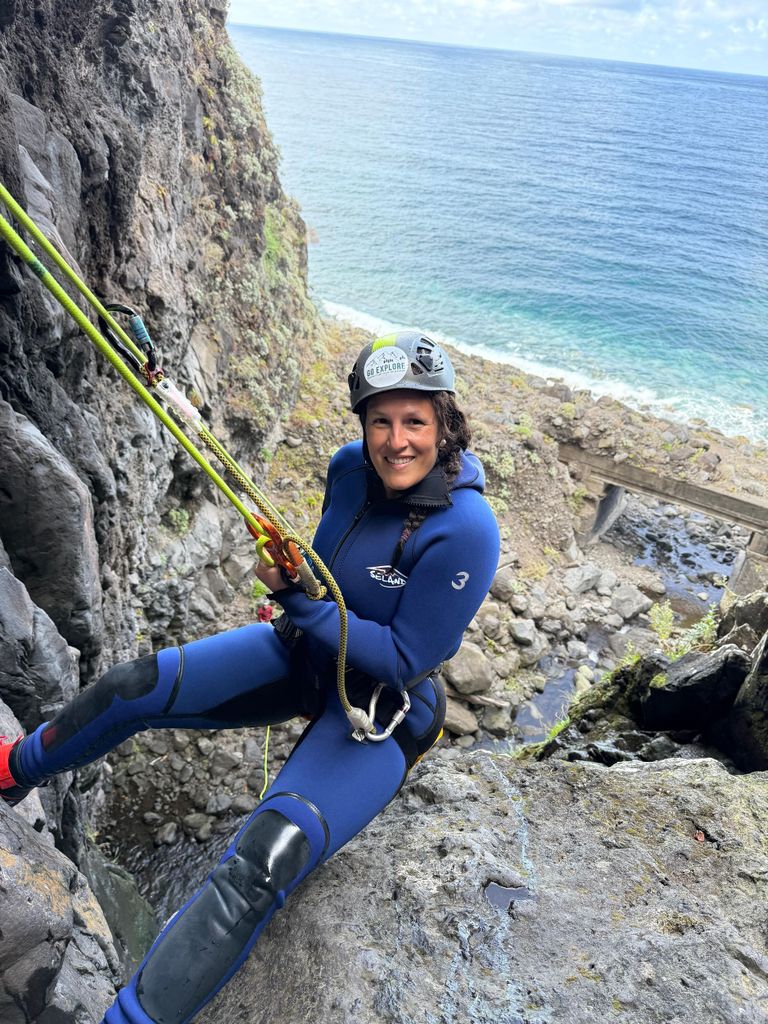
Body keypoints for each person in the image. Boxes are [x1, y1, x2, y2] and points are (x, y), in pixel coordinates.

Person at [0, 331, 500, 1024]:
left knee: (263, 862)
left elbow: (403, 657)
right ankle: (13, 770)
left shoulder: (467, 529)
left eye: (414, 421)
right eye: (380, 420)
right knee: (133, 687)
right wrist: (298, 578)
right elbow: (332, 572)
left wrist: (298, 599)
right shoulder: (349, 470)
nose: (396, 441)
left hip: (377, 708)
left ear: (445, 423)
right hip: (302, 656)